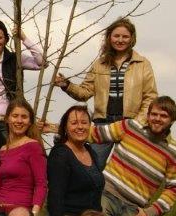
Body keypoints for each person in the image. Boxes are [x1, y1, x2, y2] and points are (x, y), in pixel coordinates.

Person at [55, 17, 158, 163]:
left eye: (125, 36)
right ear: (109, 37)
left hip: (130, 124)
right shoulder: (100, 64)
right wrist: (67, 85)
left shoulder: (142, 64)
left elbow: (150, 97)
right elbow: (84, 92)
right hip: (103, 124)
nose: (120, 40)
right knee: (93, 164)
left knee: (128, 167)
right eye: (116, 36)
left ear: (132, 39)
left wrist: (138, 123)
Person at [91, 96, 176, 216]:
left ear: (172, 120)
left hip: (133, 210)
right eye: (154, 114)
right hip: (106, 195)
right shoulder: (130, 127)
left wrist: (151, 212)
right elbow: (95, 133)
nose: (157, 119)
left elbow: (173, 189)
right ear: (148, 115)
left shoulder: (174, 152)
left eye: (163, 116)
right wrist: (59, 129)